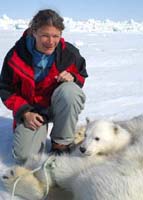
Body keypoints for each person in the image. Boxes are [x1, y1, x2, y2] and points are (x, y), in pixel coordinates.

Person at [0, 9, 88, 163]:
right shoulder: (16, 55)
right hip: (32, 111)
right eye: (45, 35)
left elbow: (81, 74)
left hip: (57, 106)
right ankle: (36, 133)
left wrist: (73, 77)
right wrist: (25, 112)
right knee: (25, 158)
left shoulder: (69, 53)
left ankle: (60, 144)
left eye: (56, 36)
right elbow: (5, 88)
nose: (51, 41)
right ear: (34, 32)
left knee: (70, 91)